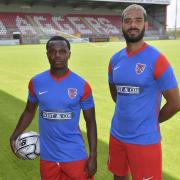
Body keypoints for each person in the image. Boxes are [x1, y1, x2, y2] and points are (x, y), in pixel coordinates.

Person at [108, 4, 180, 180]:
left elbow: (176, 102)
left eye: (138, 20)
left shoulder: (157, 59)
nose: (133, 24)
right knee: (119, 176)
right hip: (117, 134)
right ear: (122, 25)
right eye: (128, 21)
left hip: (145, 140)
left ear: (146, 25)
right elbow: (115, 92)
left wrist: (152, 120)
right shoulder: (115, 60)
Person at [10, 36, 97, 180]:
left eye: (62, 51)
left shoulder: (82, 85)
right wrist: (14, 135)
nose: (57, 55)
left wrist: (93, 156)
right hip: (47, 156)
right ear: (47, 54)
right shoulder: (36, 82)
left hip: (74, 155)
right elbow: (29, 111)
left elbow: (91, 121)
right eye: (53, 51)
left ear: (69, 54)